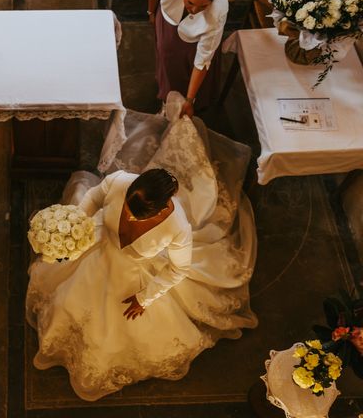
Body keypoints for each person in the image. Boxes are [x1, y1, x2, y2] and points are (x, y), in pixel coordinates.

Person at [26, 92, 257, 401]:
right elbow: (95, 196)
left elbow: (179, 269)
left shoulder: (178, 229)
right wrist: (80, 220)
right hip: (96, 253)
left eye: (136, 214)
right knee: (69, 301)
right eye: (127, 208)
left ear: (162, 210)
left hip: (131, 278)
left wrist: (146, 297)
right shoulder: (122, 181)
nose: (128, 216)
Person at [147, 0, 228, 117]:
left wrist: (190, 100)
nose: (194, 10)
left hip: (198, 36)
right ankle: (167, 97)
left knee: (191, 66)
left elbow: (202, 60)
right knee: (167, 57)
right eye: (190, 3)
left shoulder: (217, 13)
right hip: (169, 19)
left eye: (203, 6)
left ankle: (191, 99)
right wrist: (151, 12)